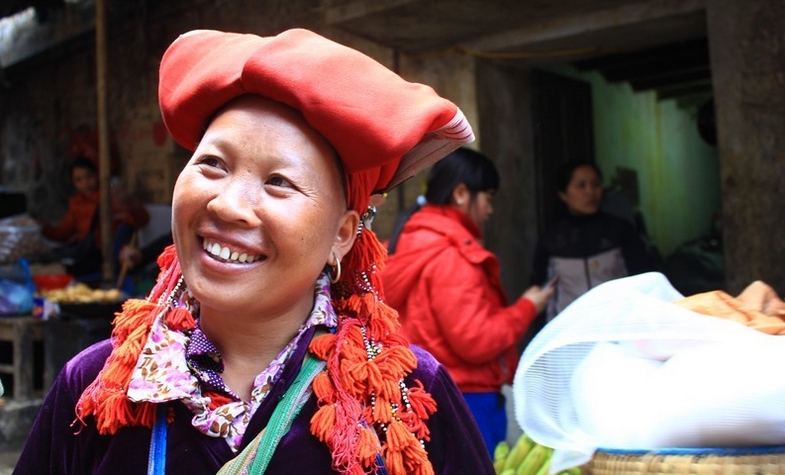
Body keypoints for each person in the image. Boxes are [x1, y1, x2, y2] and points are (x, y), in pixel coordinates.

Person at [16, 29, 493, 474]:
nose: (228, 205)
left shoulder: (404, 401)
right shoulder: (96, 388)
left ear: (341, 235)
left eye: (279, 182)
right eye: (213, 164)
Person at [381, 148, 553, 454]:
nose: (490, 210)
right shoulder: (452, 254)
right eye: (488, 197)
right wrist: (528, 307)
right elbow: (475, 340)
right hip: (465, 399)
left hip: (421, 394)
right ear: (461, 193)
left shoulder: (410, 240)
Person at [531, 160, 655, 319]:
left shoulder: (620, 231)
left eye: (596, 184)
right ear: (563, 194)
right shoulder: (552, 239)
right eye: (581, 185)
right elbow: (540, 290)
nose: (590, 191)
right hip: (570, 330)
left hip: (617, 324)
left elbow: (643, 278)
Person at [40, 157, 149, 279]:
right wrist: (42, 227)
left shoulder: (110, 196)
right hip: (88, 253)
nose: (85, 183)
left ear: (97, 176)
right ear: (74, 183)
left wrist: (128, 205)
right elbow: (63, 232)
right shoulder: (76, 204)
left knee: (124, 227)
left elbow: (142, 218)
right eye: (79, 180)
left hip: (114, 250)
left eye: (89, 177)